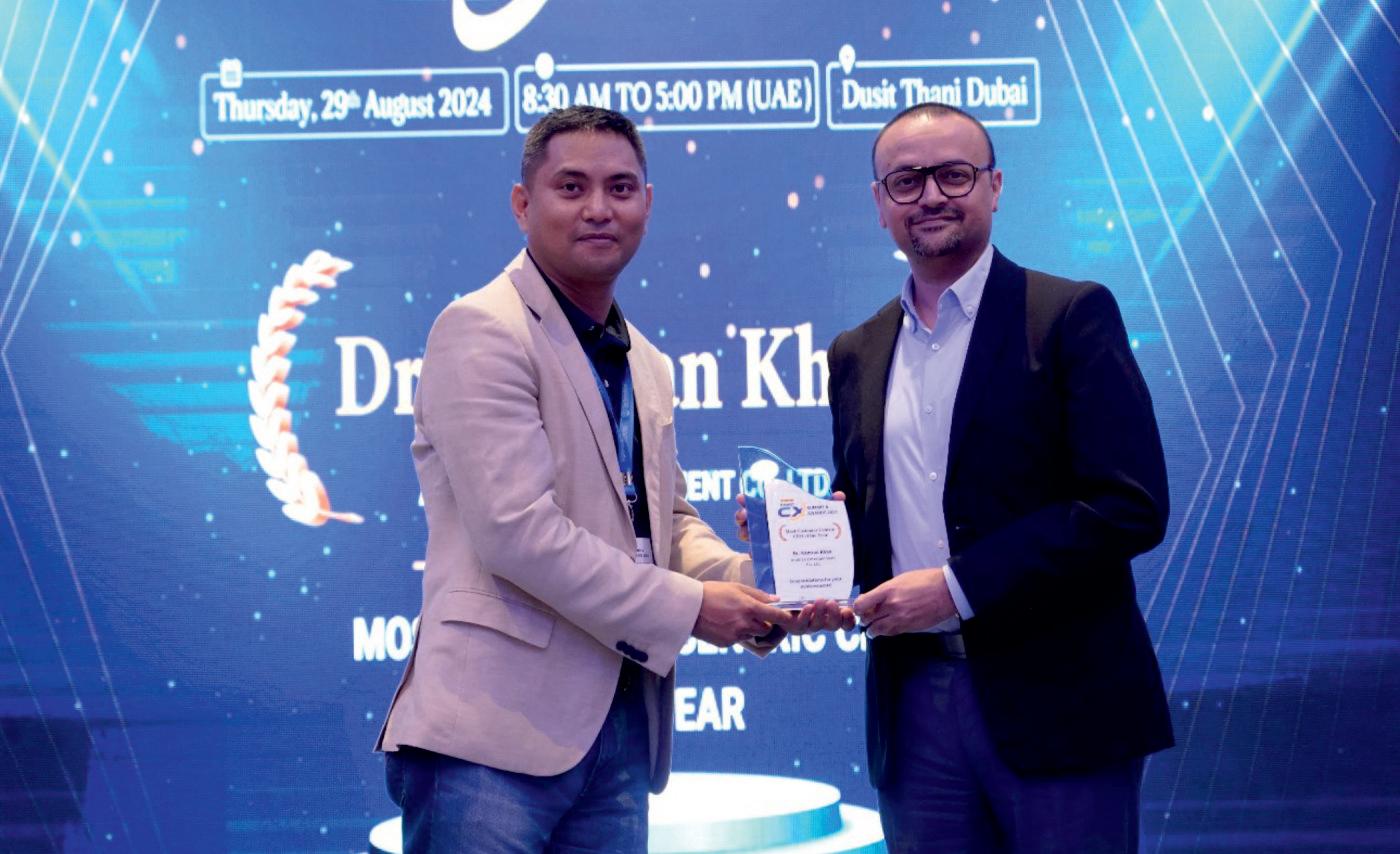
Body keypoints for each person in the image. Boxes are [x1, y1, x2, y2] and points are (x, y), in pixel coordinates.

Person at [375, 106, 837, 853]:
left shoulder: (644, 360)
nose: (598, 208)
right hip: (490, 738)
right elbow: (518, 533)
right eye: (571, 187)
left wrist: (769, 582)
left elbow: (664, 524)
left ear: (646, 205)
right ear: (523, 203)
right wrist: (693, 609)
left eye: (620, 188)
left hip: (618, 730)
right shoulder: (482, 328)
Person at [830, 103, 1174, 852]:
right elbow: (872, 520)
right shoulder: (856, 351)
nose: (930, 195)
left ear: (994, 186)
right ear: (880, 203)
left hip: (1063, 700)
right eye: (906, 181)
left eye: (954, 175)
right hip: (913, 705)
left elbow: (1129, 505)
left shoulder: (1069, 314)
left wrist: (957, 587)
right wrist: (800, 545)